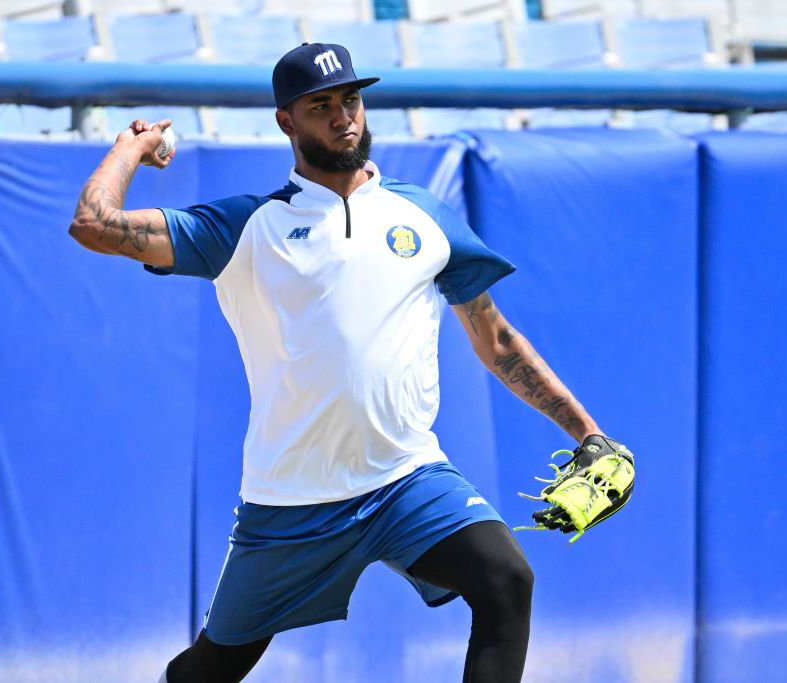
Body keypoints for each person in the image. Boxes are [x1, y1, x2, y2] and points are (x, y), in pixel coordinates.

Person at [69, 43, 611, 683]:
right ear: (286, 122)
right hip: (292, 503)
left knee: (507, 580)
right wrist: (132, 145)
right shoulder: (247, 227)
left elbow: (497, 341)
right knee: (209, 672)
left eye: (351, 98)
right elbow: (93, 224)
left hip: (404, 480)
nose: (342, 115)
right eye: (320, 105)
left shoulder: (423, 216)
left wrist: (589, 434)